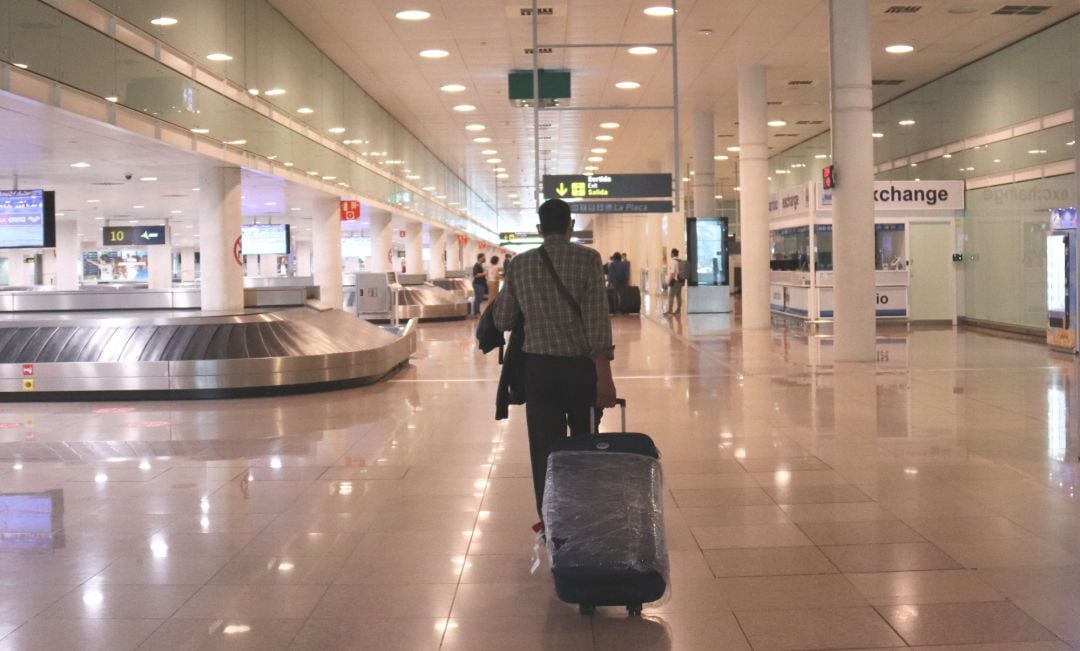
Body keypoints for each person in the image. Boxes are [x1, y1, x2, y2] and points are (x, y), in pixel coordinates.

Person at [494, 198, 618, 520]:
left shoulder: (519, 264)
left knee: (545, 450)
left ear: (538, 229)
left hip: (539, 371)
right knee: (584, 443)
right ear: (570, 226)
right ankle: (583, 518)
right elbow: (597, 319)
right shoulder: (588, 259)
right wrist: (605, 374)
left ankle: (552, 519)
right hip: (581, 370)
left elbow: (503, 319)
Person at [665, 248, 684, 316]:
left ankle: (670, 311)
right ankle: (678, 311)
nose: (670, 254)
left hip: (675, 281)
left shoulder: (673, 261)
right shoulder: (680, 261)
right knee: (678, 296)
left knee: (671, 296)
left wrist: (669, 282)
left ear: (672, 254)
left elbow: (673, 273)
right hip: (681, 281)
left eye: (671, 253)